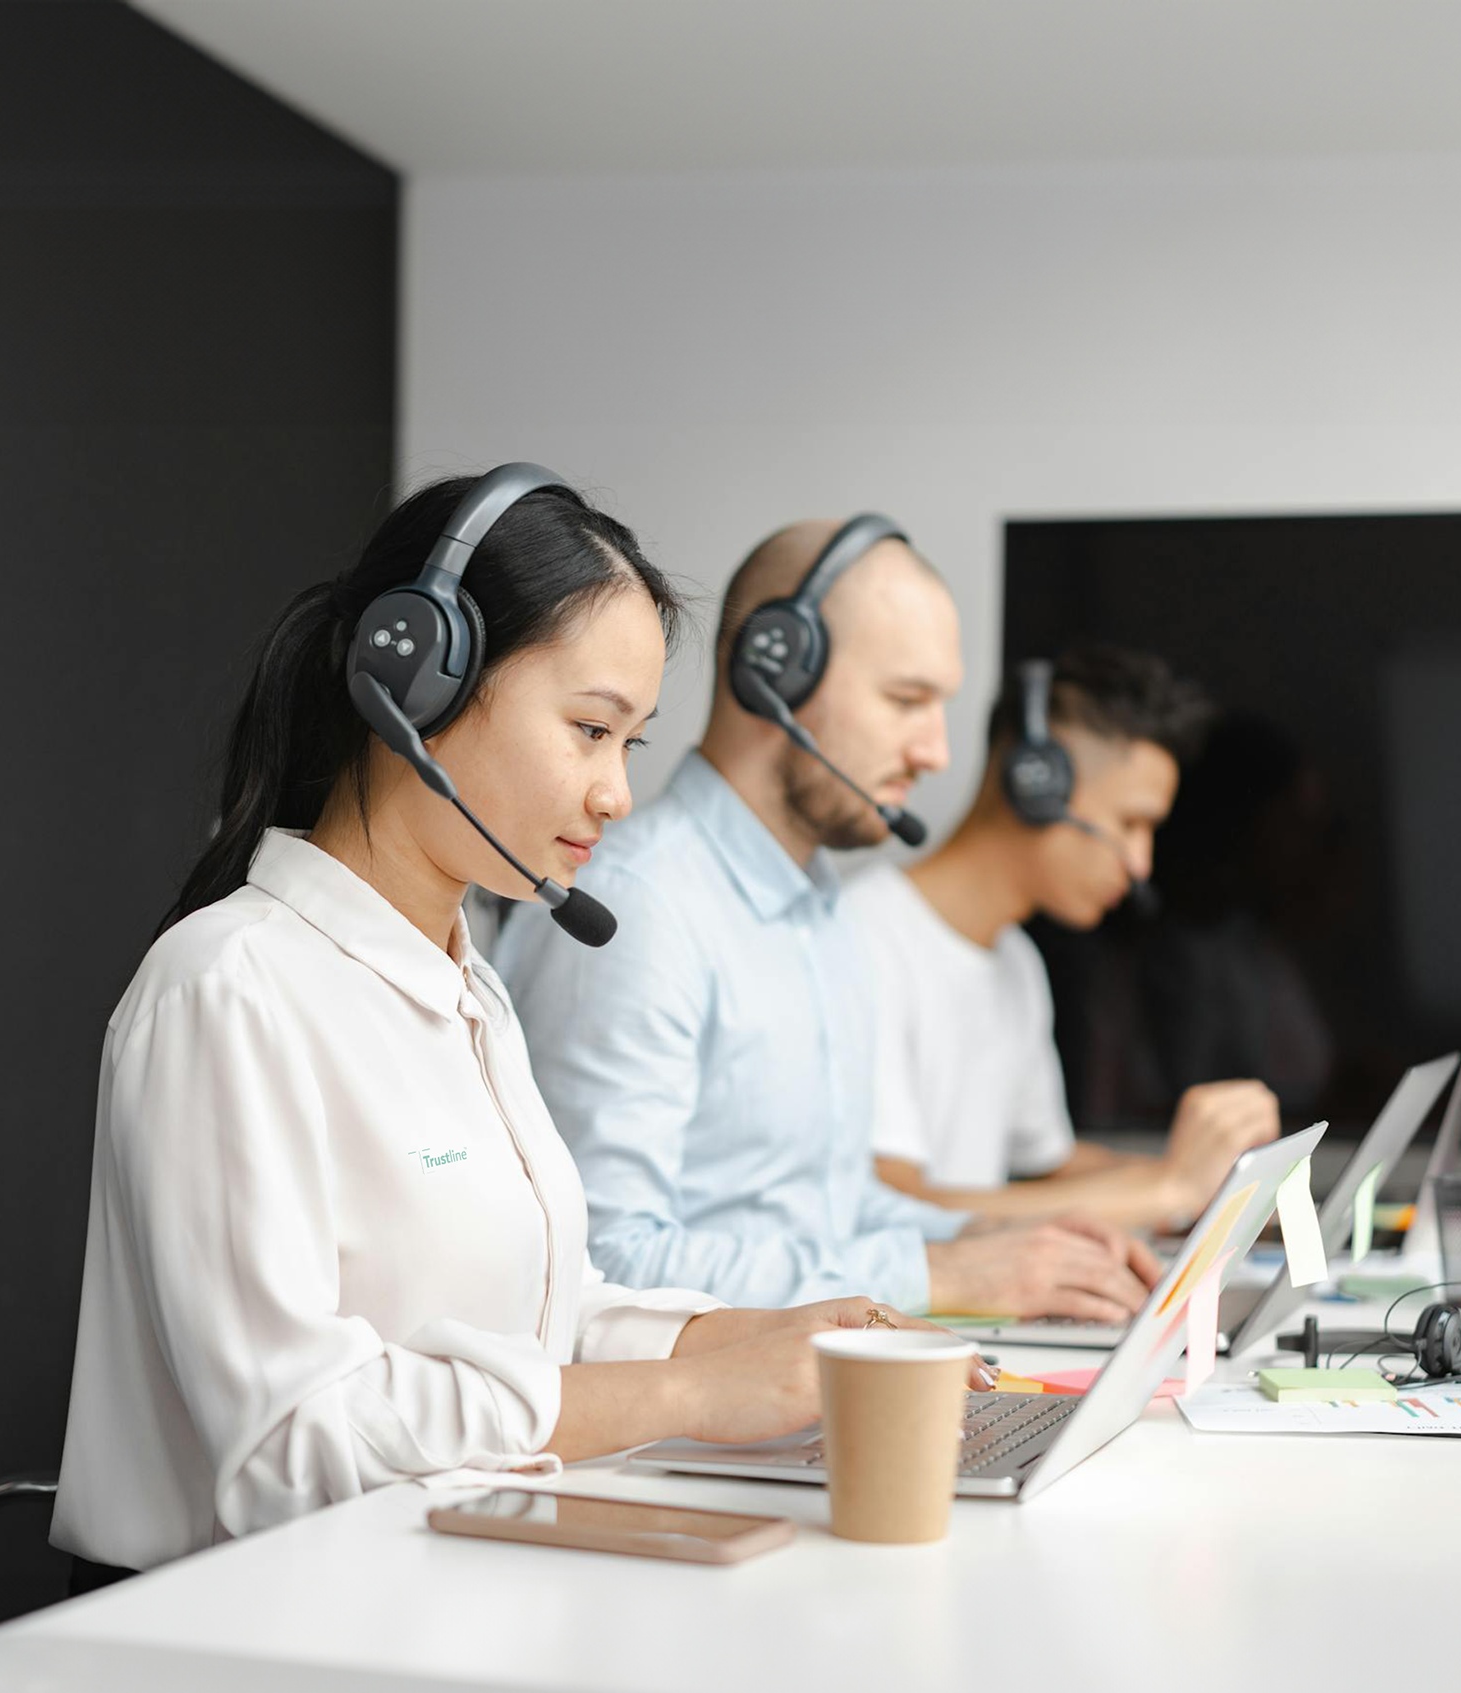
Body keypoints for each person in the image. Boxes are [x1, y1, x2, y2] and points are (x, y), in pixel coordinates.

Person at [49, 469, 1022, 1693]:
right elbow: (288, 1450)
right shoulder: (229, 989)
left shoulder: (466, 981)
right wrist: (693, 1395)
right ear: (413, 677)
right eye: (589, 732)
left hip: (439, 1664)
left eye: (632, 741)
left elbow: (545, 1320)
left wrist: (753, 1343)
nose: (620, 791)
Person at [495, 516, 1159, 1323]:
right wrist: (944, 1279)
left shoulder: (822, 910)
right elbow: (601, 1259)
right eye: (906, 700)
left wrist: (998, 1240)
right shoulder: (642, 910)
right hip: (673, 1436)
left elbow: (831, 1213)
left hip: (807, 1398)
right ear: (777, 667)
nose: (936, 752)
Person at [845, 642, 1282, 1232]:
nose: (1140, 865)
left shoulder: (1015, 963)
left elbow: (1051, 1167)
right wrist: (1165, 1190)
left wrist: (1215, 1184)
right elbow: (894, 1210)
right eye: (1131, 823)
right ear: (1035, 782)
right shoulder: (863, 936)